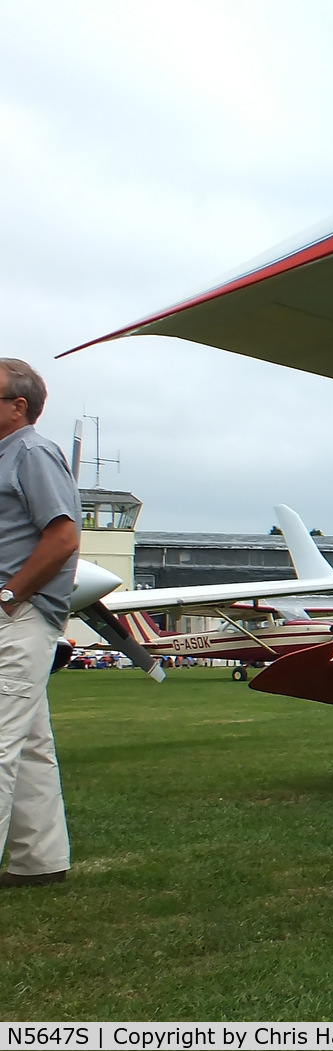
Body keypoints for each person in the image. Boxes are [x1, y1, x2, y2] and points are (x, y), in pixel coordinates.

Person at [0, 359, 80, 887]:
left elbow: (64, 535)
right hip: (18, 612)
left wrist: (10, 595)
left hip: (19, 615)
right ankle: (40, 861)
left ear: (18, 406)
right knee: (29, 746)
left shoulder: (30, 451)